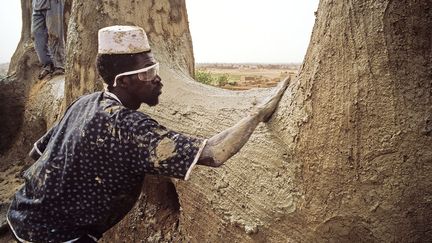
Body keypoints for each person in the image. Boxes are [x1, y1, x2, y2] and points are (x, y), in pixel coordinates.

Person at [7, 25, 289, 242]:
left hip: (21, 214)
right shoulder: (130, 127)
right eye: (147, 73)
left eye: (154, 69)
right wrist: (257, 114)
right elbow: (215, 153)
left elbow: (38, 152)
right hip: (56, 236)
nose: (156, 78)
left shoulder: (84, 103)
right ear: (124, 81)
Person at [32, 0, 65, 79]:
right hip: (37, 4)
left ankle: (59, 65)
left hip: (53, 3)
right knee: (36, 35)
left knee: (54, 34)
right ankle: (48, 64)